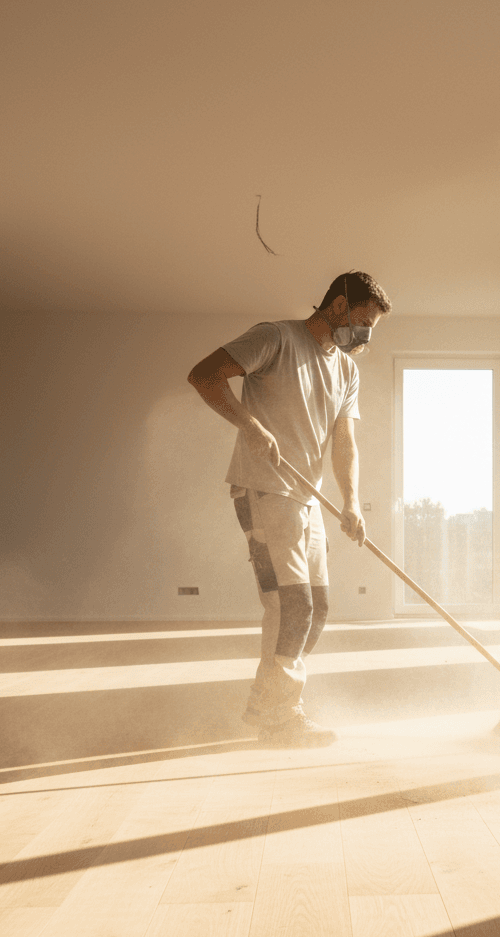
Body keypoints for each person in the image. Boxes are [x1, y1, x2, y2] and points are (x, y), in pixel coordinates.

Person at [187, 271, 391, 746]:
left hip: (306, 500)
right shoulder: (276, 338)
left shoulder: (346, 369)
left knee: (316, 609)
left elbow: (345, 442)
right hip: (263, 491)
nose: (362, 337)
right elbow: (204, 375)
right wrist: (250, 426)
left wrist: (352, 502)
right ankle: (279, 714)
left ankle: (269, 704)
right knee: (291, 605)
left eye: (370, 331)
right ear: (339, 305)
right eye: (362, 322)